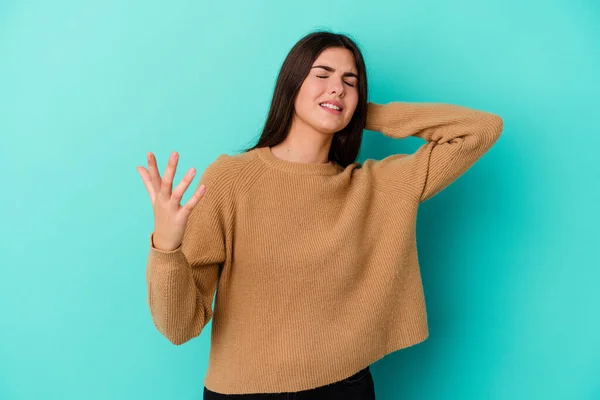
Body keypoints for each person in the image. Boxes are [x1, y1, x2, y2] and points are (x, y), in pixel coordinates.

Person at [136, 30, 503, 399]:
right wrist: (167, 247)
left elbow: (481, 130)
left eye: (350, 81)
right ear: (292, 84)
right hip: (243, 392)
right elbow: (179, 327)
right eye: (322, 74)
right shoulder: (232, 179)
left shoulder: (376, 186)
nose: (337, 88)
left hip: (346, 388)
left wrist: (364, 114)